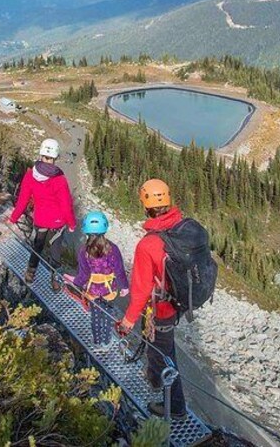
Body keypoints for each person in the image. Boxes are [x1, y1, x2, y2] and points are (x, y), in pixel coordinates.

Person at [118, 178, 187, 419]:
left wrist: (128, 320)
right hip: (176, 303)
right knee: (168, 352)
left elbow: (141, 289)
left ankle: (174, 407)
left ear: (146, 206)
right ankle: (171, 397)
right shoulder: (180, 227)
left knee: (163, 359)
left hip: (161, 311)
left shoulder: (148, 244)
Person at [9, 138, 76, 291]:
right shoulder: (59, 178)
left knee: (37, 246)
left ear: (40, 154)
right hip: (57, 222)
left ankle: (30, 273)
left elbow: (23, 200)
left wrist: (14, 217)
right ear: (55, 157)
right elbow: (66, 205)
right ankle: (55, 281)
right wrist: (71, 224)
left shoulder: (31, 175)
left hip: (40, 219)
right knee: (55, 252)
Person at [66, 211, 129, 350]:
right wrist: (124, 287)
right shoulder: (113, 249)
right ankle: (106, 342)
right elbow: (119, 270)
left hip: (92, 290)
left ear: (86, 231)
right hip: (109, 290)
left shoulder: (84, 251)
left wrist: (74, 285)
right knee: (106, 316)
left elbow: (83, 274)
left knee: (95, 316)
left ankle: (96, 341)